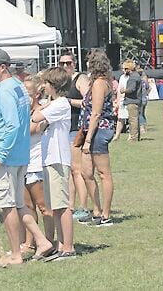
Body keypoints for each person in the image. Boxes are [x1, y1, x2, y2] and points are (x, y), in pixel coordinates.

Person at [0, 49, 56, 263]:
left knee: (8, 206)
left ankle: (16, 254)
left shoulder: (5, 91)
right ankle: (42, 241)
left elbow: (13, 125)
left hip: (5, 157)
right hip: (21, 154)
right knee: (18, 204)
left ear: (2, 68)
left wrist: (0, 154)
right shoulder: (18, 87)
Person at [32, 65, 76, 261]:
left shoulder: (61, 104)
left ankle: (68, 247)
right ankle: (61, 244)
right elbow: (38, 126)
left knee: (62, 205)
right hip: (49, 158)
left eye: (46, 83)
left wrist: (37, 102)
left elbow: (35, 118)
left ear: (54, 85)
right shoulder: (55, 103)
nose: (44, 86)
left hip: (58, 158)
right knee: (55, 206)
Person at [77, 49, 117, 226]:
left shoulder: (100, 84)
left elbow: (96, 113)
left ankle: (106, 214)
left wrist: (87, 139)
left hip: (99, 130)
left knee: (103, 173)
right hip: (90, 130)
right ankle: (96, 210)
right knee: (86, 173)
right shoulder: (97, 82)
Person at [22, 75, 55, 247]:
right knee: (27, 206)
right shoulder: (22, 112)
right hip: (23, 165)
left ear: (36, 94)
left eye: (26, 93)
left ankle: (49, 241)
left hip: (36, 164)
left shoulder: (42, 111)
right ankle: (30, 243)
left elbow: (31, 130)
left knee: (44, 207)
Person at [62, 53, 92, 223]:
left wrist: (68, 101)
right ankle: (71, 206)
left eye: (69, 63)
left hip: (76, 129)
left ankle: (84, 206)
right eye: (62, 63)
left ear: (74, 63)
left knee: (77, 169)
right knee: (69, 170)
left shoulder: (79, 79)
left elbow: (87, 101)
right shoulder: (61, 81)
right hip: (64, 129)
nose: (66, 66)